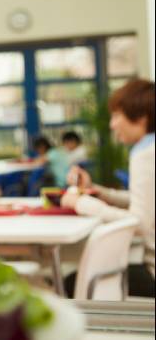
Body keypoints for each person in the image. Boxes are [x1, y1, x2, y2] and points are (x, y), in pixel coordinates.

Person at [61, 79, 155, 297]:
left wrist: (81, 203)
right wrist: (99, 191)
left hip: (152, 272)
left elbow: (140, 223)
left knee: (70, 282)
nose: (112, 125)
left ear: (141, 118)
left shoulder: (145, 154)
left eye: (116, 116)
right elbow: (147, 202)